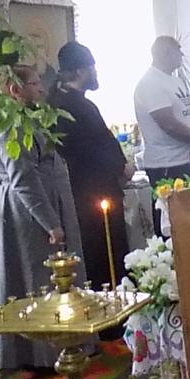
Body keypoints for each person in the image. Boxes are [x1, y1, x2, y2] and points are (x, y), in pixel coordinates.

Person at [0, 65, 83, 367]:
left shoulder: (22, 118)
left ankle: (52, 348)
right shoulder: (11, 125)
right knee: (39, 277)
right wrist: (50, 222)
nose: (41, 88)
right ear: (15, 90)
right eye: (35, 83)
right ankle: (45, 353)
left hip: (35, 203)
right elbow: (23, 177)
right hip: (28, 212)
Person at [50, 41, 128, 292]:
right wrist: (121, 168)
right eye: (93, 67)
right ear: (80, 71)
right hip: (93, 196)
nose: (96, 73)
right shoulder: (73, 106)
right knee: (106, 260)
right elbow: (93, 150)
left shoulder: (62, 102)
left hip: (88, 194)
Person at [133, 36, 190, 234]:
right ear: (166, 53)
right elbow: (168, 124)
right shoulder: (151, 83)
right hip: (166, 163)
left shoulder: (176, 80)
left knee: (189, 217)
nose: (182, 54)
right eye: (178, 49)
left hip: (184, 158)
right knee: (171, 221)